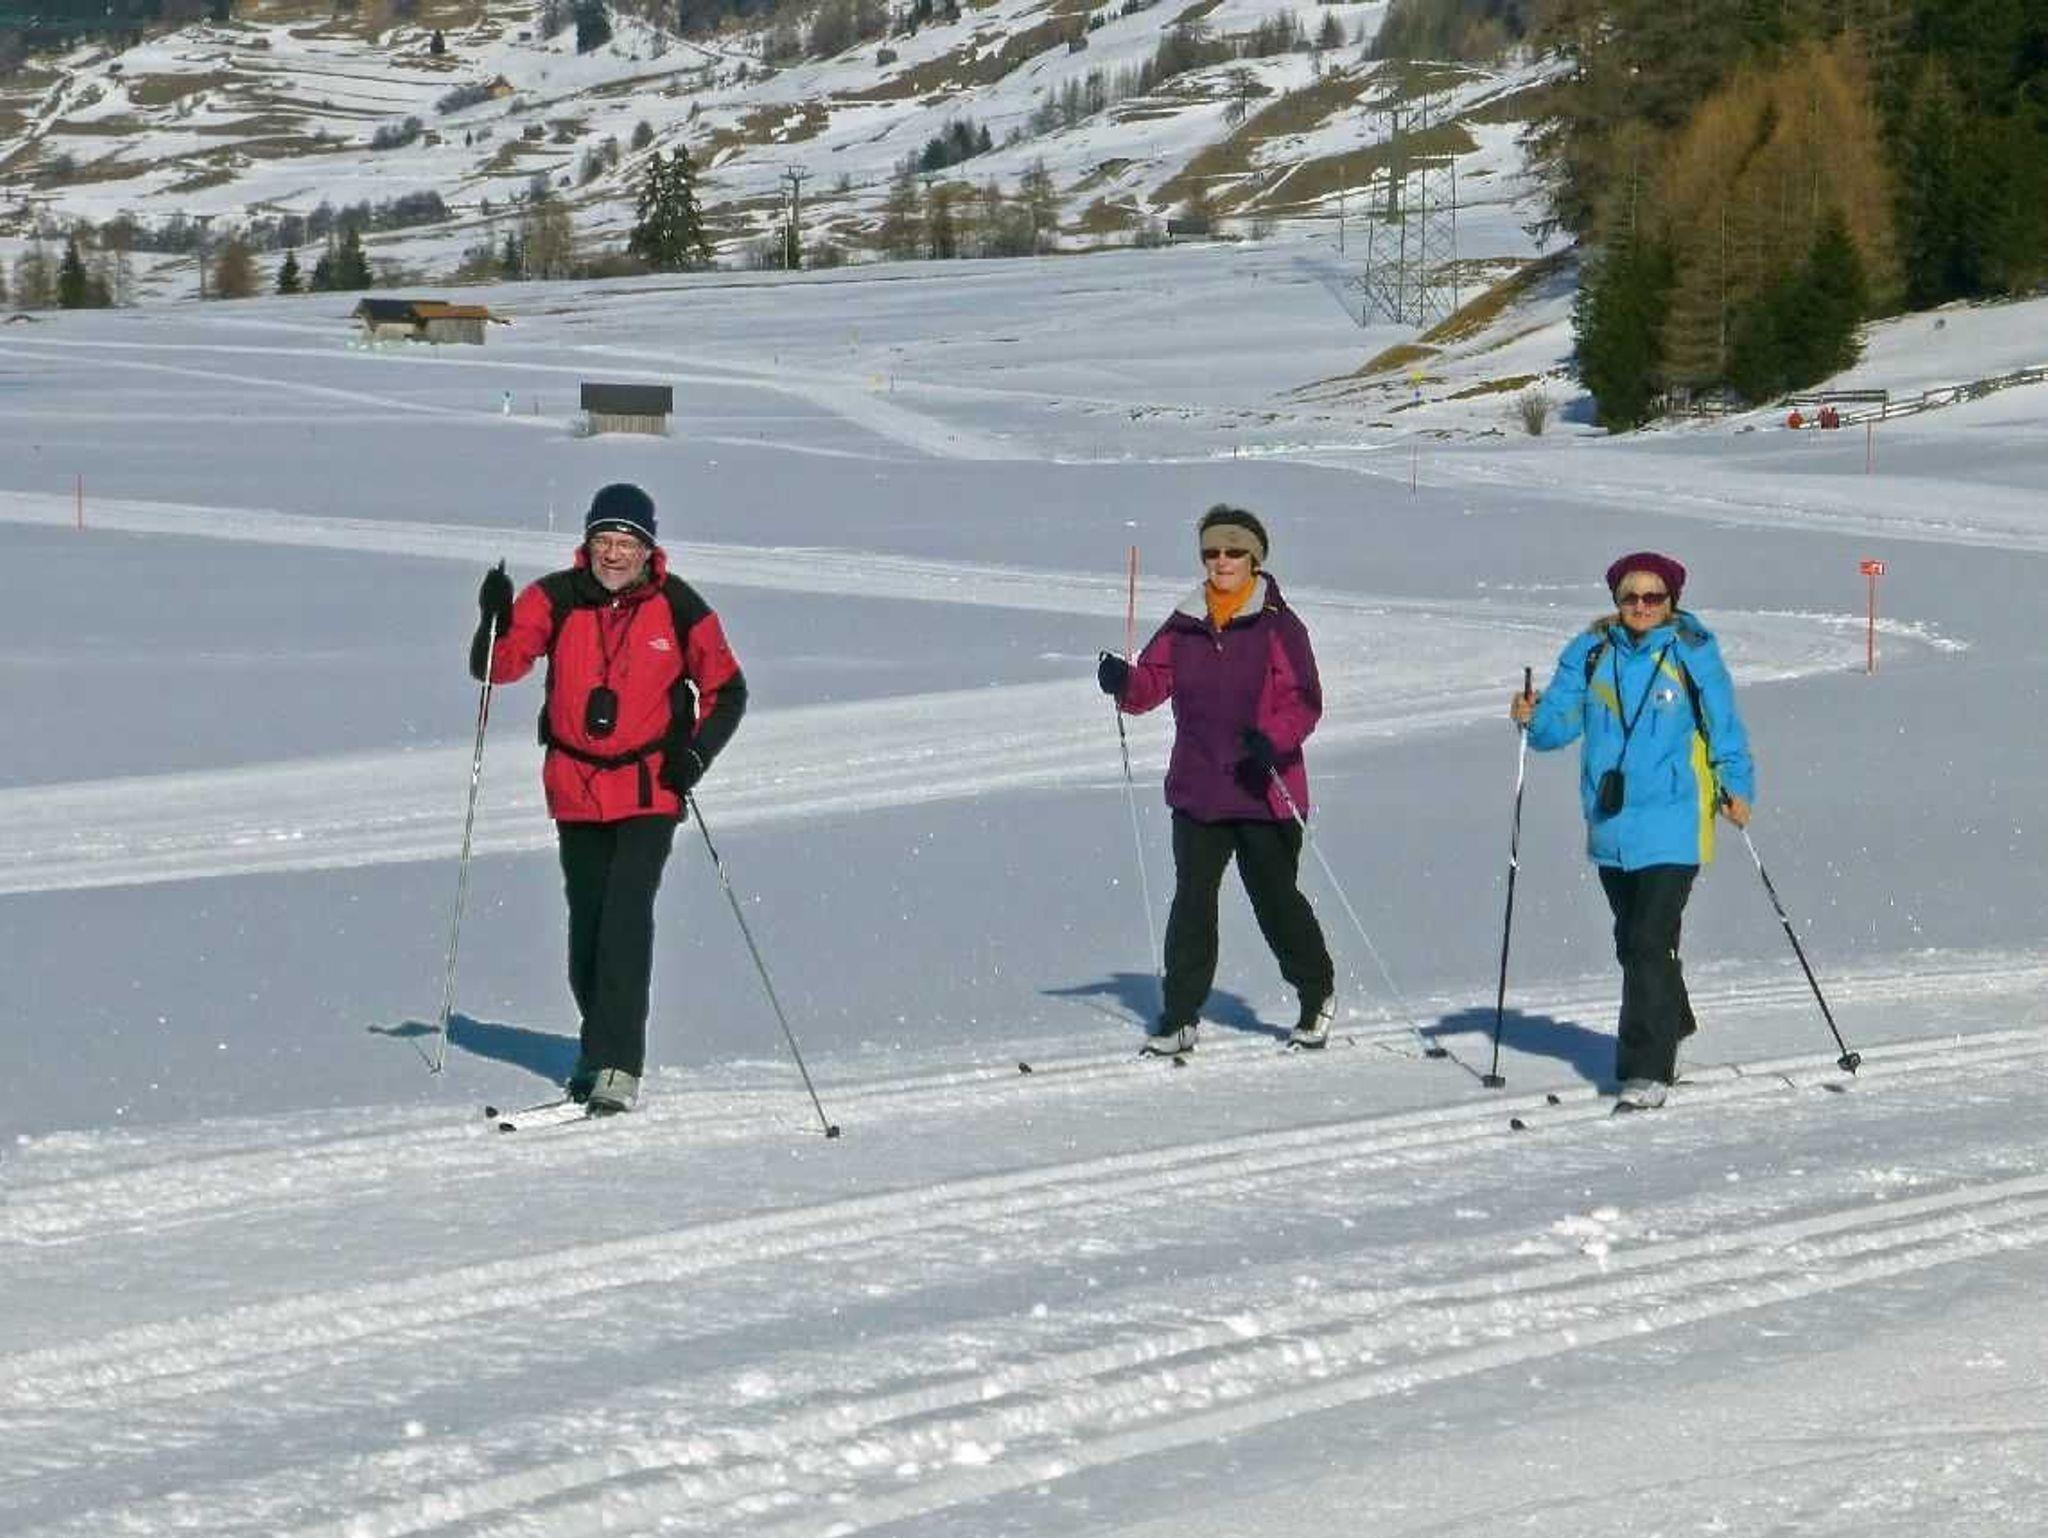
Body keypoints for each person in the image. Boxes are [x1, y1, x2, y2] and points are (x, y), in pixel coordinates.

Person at [469, 483, 747, 1114]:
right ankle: (597, 1053)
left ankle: (618, 1065)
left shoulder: (680, 607)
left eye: (626, 543)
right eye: (604, 540)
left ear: (649, 549)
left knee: (625, 918)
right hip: (575, 786)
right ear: (587, 543)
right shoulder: (555, 598)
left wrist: (695, 754)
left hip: (651, 788)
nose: (614, 554)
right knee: (587, 932)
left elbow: (728, 691)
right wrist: (492, 620)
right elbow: (498, 667)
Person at [1510, 551, 1754, 1111]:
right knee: (1633, 941)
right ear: (1616, 601)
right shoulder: (1592, 653)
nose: (1641, 606)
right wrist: (1531, 716)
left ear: (1672, 602)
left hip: (1675, 818)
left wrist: (1736, 786)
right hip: (1612, 822)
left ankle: (1647, 1067)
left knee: (1647, 940)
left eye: (1653, 597)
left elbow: (1725, 728)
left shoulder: (1692, 653)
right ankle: (1673, 1018)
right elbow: (1555, 728)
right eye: (1630, 597)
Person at [1097, 505, 1336, 1054]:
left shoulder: (1279, 625)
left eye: (1233, 551)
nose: (1222, 561)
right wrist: (1122, 681)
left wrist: (1272, 738)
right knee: (1192, 903)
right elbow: (1150, 685)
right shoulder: (1185, 623)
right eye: (1212, 551)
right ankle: (1180, 1016)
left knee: (1275, 901)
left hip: (1263, 789)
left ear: (1255, 558)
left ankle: (1316, 991)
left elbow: (1304, 701)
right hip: (1200, 788)